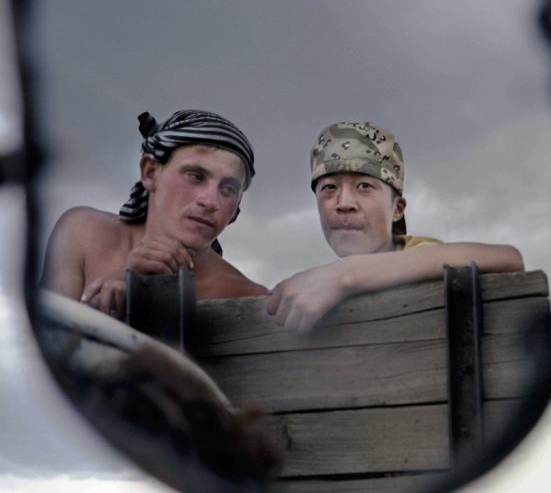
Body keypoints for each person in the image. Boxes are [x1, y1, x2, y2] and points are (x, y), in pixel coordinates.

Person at [267, 122, 523, 334]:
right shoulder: (318, 289)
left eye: (364, 186)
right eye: (329, 188)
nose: (343, 203)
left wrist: (345, 274)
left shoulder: (421, 255)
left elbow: (509, 259)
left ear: (397, 208)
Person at [42, 109, 266, 318]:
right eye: (196, 176)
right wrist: (121, 281)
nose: (210, 201)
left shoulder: (248, 296)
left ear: (236, 208)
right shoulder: (84, 234)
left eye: (228, 189)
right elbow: (33, 343)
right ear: (150, 172)